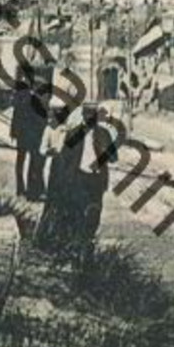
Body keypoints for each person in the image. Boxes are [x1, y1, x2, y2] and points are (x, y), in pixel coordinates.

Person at [36, 103, 118, 259]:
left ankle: (87, 244)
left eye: (92, 115)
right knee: (79, 213)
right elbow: (64, 159)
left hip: (97, 180)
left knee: (94, 214)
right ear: (83, 116)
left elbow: (114, 158)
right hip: (79, 178)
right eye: (87, 115)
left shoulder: (103, 134)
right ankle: (76, 249)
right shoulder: (74, 134)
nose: (89, 118)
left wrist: (105, 152)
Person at [8, 64, 51, 199]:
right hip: (29, 133)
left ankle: (28, 189)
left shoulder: (23, 95)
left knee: (28, 160)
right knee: (29, 161)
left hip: (28, 133)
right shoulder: (25, 95)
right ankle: (27, 190)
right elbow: (20, 115)